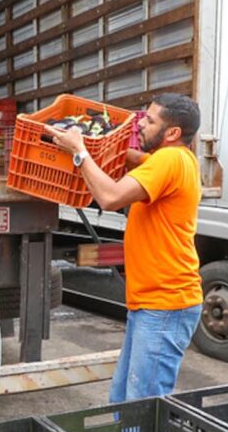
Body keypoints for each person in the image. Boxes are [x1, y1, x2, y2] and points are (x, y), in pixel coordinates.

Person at [45, 93, 203, 400]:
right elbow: (132, 159)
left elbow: (110, 197)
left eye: (150, 120)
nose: (140, 124)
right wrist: (91, 143)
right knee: (122, 398)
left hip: (165, 305)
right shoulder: (170, 159)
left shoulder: (171, 160)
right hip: (152, 304)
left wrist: (80, 154)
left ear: (172, 133)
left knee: (141, 406)